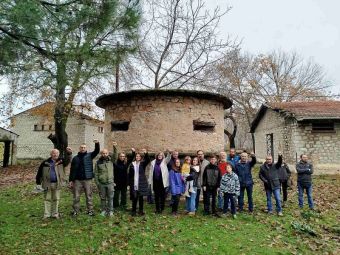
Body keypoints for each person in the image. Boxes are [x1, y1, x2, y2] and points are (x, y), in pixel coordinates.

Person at [36, 147, 72, 219]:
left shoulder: (61, 161)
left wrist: (69, 153)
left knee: (56, 199)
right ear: (51, 154)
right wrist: (38, 182)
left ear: (58, 154)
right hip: (47, 183)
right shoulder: (45, 162)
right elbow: (39, 173)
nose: (55, 154)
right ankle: (47, 214)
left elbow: (68, 160)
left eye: (57, 153)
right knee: (47, 199)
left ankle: (55, 214)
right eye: (54, 153)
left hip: (57, 183)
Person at [69, 140, 100, 216]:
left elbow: (97, 151)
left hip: (87, 179)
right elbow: (72, 170)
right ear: (79, 149)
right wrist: (71, 180)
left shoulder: (90, 156)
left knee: (89, 195)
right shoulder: (75, 158)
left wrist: (97, 143)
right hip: (77, 180)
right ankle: (75, 211)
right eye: (81, 147)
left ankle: (90, 210)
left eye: (84, 148)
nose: (83, 149)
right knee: (76, 196)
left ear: (86, 149)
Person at [113, 145, 135, 211]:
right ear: (119, 157)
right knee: (116, 195)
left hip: (124, 182)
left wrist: (133, 152)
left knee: (124, 195)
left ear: (125, 157)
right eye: (121, 156)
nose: (122, 157)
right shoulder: (115, 164)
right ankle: (116, 206)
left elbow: (131, 158)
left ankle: (123, 206)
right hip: (116, 182)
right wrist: (113, 182)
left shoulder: (126, 163)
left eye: (123, 156)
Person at [129, 149, 150, 216]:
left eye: (139, 156)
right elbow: (130, 174)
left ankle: (141, 211)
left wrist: (146, 153)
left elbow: (148, 160)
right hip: (134, 183)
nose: (138, 157)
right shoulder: (132, 164)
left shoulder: (142, 164)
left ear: (140, 157)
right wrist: (129, 183)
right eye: (137, 156)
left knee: (141, 198)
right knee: (134, 198)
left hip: (141, 183)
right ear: (135, 157)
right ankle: (133, 211)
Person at [94, 148, 114, 217]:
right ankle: (103, 210)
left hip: (110, 183)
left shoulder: (111, 161)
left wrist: (114, 147)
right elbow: (96, 173)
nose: (104, 154)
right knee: (103, 198)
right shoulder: (98, 162)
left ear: (108, 154)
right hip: (102, 183)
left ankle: (110, 211)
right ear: (101, 154)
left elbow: (116, 156)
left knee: (110, 198)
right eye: (103, 153)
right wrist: (97, 183)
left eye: (106, 153)